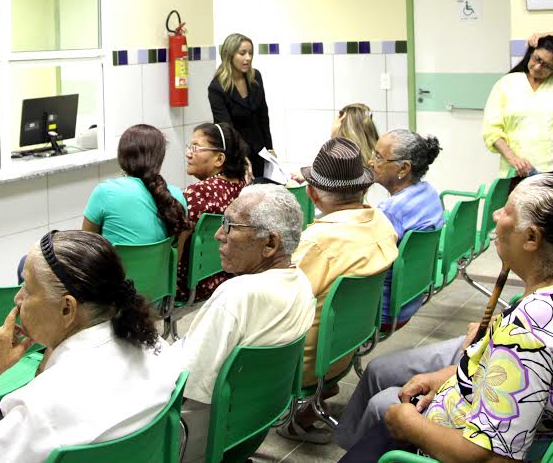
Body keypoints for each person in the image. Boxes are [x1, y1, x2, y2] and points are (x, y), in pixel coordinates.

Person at [334, 174, 553, 462]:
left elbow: (491, 457)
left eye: (508, 211)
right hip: (479, 419)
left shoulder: (530, 332)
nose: (497, 215)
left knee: (384, 415)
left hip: (437, 451)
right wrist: (449, 378)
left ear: (531, 238)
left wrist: (411, 426)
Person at [0, 230, 177, 463]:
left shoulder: (37, 410)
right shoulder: (156, 348)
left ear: (67, 308)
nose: (17, 299)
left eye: (27, 289)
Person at [174, 185, 316, 462]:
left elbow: (184, 384)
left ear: (270, 244)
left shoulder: (238, 295)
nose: (218, 235)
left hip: (192, 439)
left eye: (229, 225)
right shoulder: (301, 284)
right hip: (245, 432)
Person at [277, 137, 399, 443]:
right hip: (344, 349)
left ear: (312, 194)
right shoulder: (383, 224)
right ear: (365, 188)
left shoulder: (318, 242)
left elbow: (281, 301)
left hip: (304, 363)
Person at [482, 31, 553, 183]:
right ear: (531, 53)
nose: (537, 67)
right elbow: (491, 131)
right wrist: (514, 159)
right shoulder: (506, 83)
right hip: (519, 171)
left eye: (546, 66)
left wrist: (551, 34)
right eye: (537, 58)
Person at [369, 129, 445, 330]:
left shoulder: (391, 211)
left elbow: (365, 262)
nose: (370, 162)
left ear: (403, 168)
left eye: (378, 157)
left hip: (381, 312)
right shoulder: (430, 194)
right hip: (409, 300)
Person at [176, 122, 250, 302]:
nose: (188, 153)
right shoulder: (242, 185)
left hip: (190, 286)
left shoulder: (196, 194)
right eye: (189, 147)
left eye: (196, 148)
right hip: (225, 276)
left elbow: (175, 250)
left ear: (219, 159)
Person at [83, 124, 187, 244]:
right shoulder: (176, 197)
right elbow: (175, 257)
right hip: (160, 263)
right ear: (160, 158)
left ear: (121, 157)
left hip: (115, 263)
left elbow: (86, 247)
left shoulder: (105, 192)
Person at [208, 33, 274, 179]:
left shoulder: (255, 77)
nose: (248, 58)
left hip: (259, 150)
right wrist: (241, 157)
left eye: (250, 53)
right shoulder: (217, 88)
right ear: (229, 55)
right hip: (235, 154)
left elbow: (263, 115)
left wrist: (269, 148)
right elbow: (226, 128)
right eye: (242, 53)